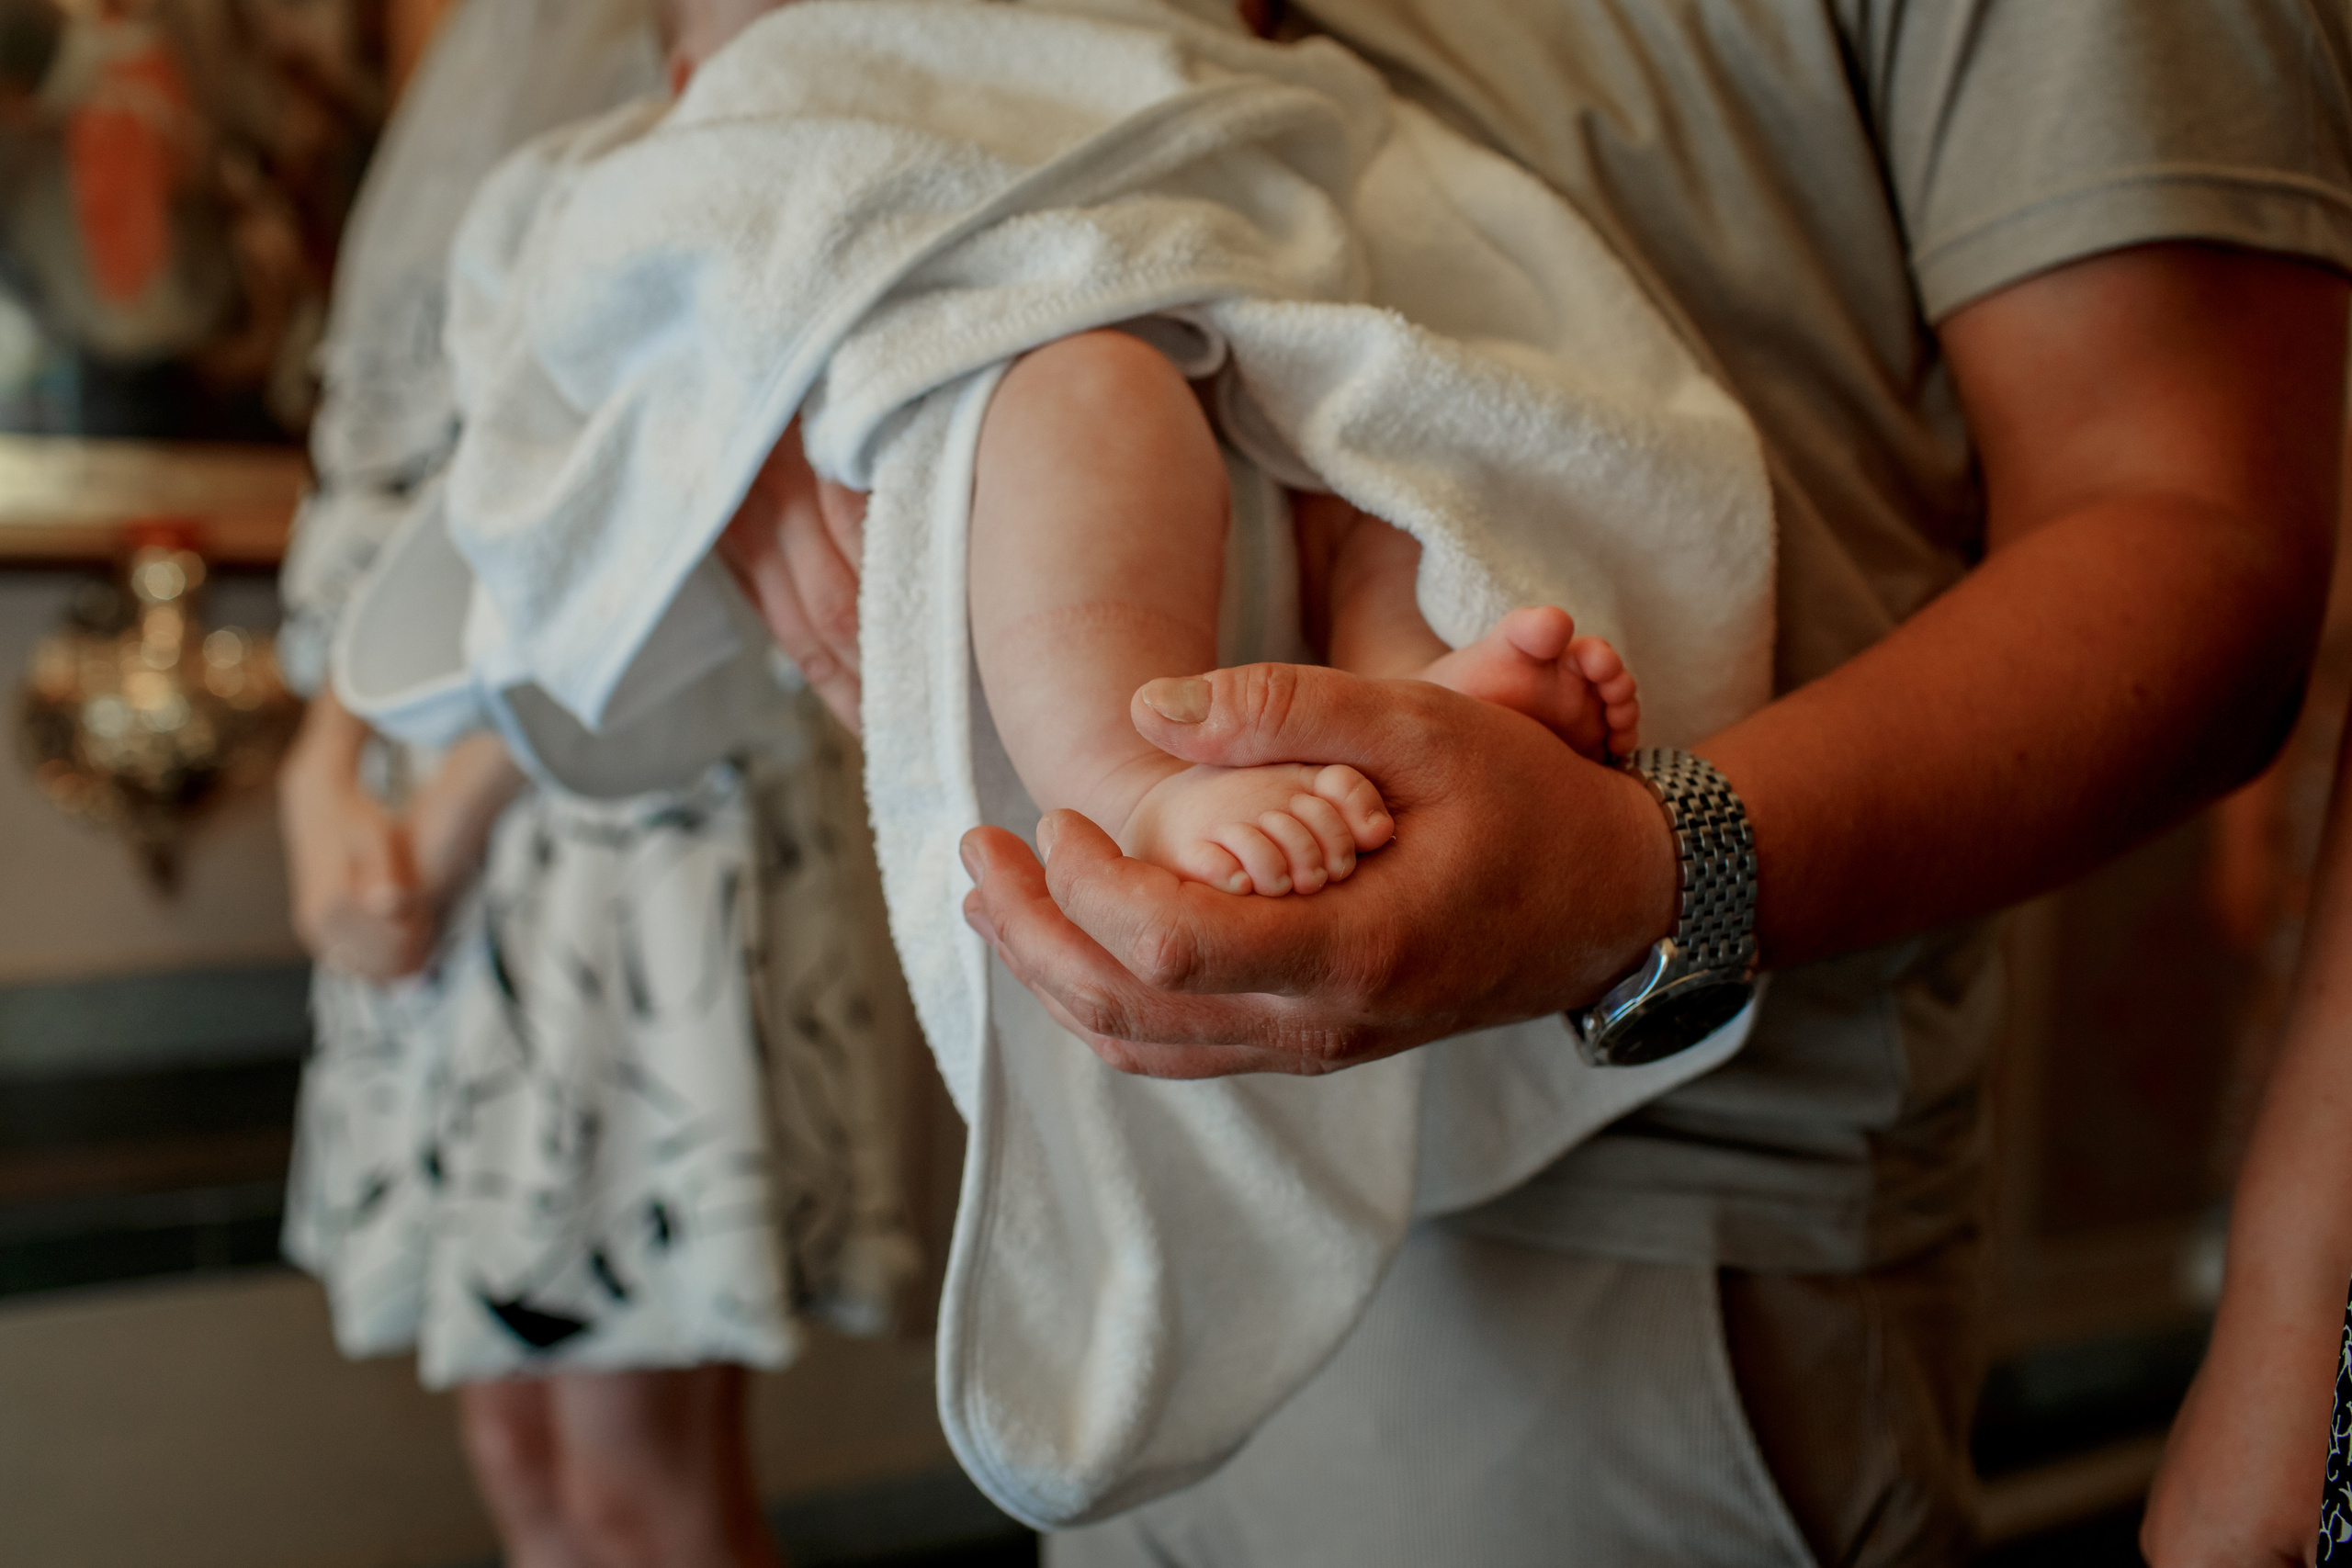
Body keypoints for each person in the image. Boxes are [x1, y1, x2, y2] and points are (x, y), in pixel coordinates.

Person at [728, 2, 2352, 1561]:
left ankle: (1357, 697)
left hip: (1654, 1206)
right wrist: (763, 385)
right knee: (1160, 385)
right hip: (1163, 1136)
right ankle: (1228, 739)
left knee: (1384, 445)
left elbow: (2192, 534)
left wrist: (1643, 865)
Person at [276, 3, 919, 1564]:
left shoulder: (772, 117)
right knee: (519, 1445)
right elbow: (394, 503)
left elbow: (703, 539)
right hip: (441, 878)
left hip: (637, 846)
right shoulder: (506, 137)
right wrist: (322, 785)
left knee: (637, 1470)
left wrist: (446, 812)